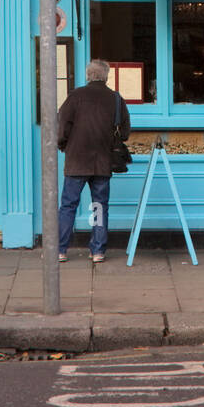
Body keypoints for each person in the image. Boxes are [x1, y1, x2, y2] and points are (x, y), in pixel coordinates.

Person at [57, 59, 131, 262]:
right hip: (103, 161)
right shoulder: (116, 99)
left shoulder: (75, 96)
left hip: (77, 160)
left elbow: (62, 126)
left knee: (68, 205)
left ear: (88, 75)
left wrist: (63, 144)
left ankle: (60, 249)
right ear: (106, 76)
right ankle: (97, 250)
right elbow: (124, 132)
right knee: (99, 205)